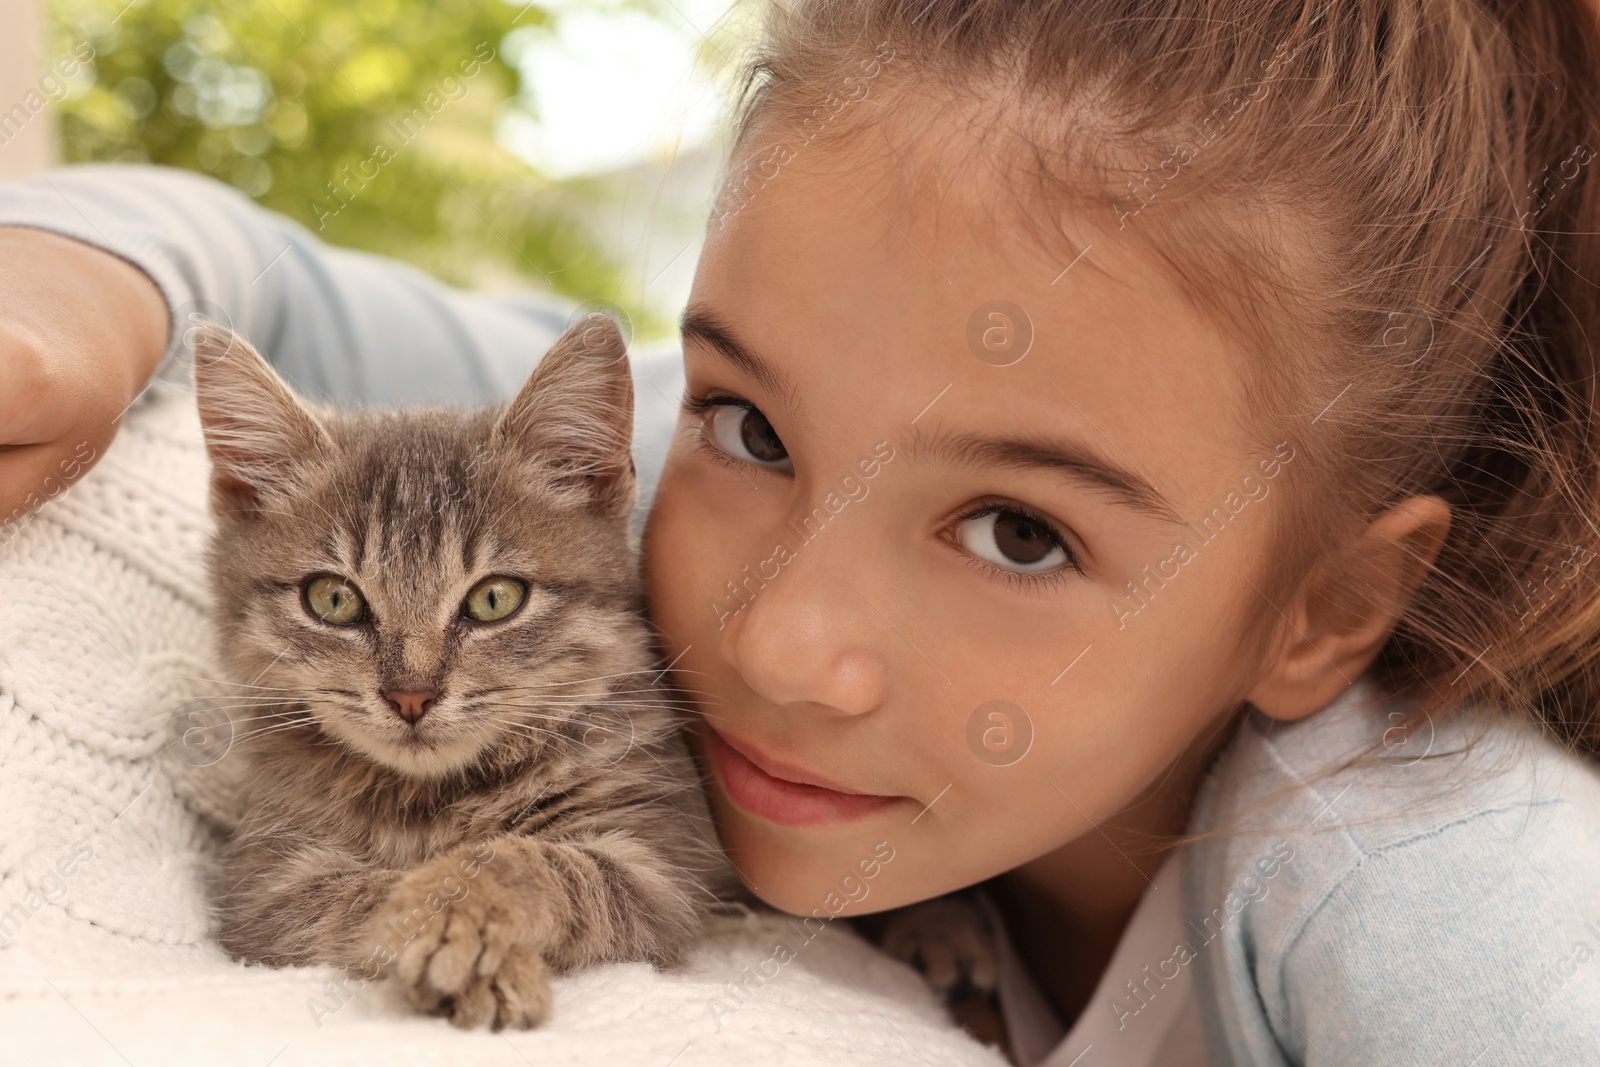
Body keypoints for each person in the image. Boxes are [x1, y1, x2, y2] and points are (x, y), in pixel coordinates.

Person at [2, 1, 1599, 1062]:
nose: (771, 640)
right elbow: (264, 279)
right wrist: (72, 303)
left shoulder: (1433, 892)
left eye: (1019, 533)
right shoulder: (625, 479)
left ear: (1322, 608)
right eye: (752, 422)